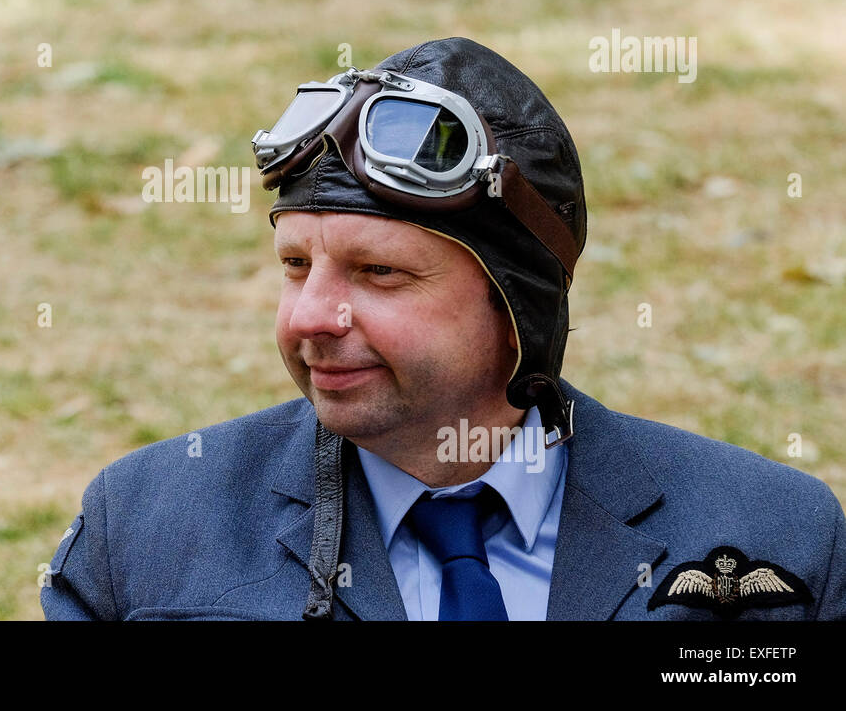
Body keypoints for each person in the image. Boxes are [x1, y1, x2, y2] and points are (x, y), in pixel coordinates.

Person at [41, 37, 846, 621]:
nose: (312, 316)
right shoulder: (146, 527)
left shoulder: (773, 536)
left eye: (379, 273)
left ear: (516, 303)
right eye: (295, 265)